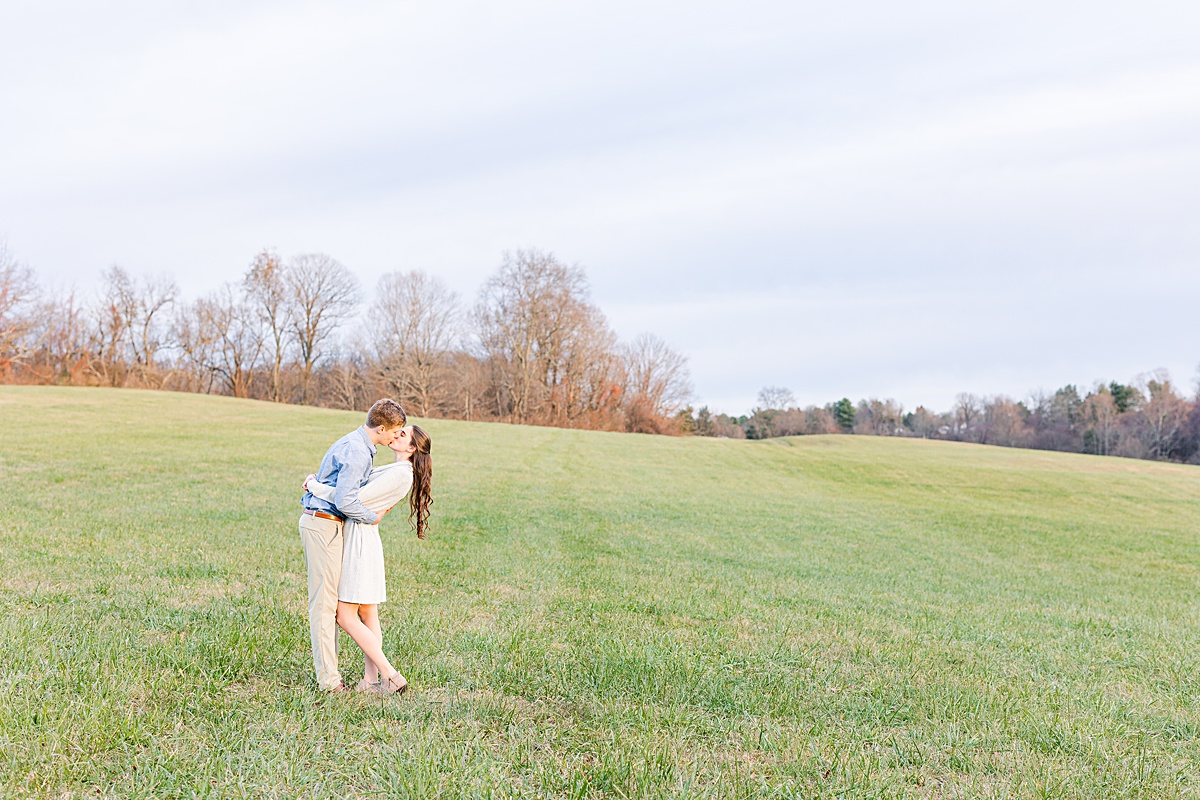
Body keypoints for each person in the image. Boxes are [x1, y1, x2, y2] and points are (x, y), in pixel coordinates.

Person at [303, 425, 433, 695]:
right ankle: (371, 681)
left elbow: (349, 499)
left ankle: (390, 675)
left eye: (403, 434)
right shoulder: (395, 469)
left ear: (411, 449)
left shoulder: (400, 474)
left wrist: (314, 486)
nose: (396, 435)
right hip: (362, 535)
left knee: (345, 615)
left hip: (359, 542)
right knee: (367, 612)